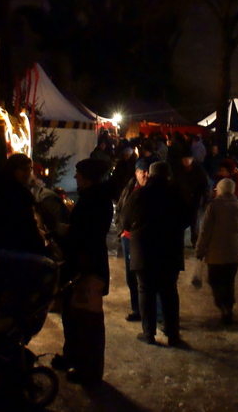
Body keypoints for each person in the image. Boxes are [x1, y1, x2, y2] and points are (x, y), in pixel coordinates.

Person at [55, 158, 114, 385]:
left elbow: (88, 234)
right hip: (82, 264)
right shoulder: (93, 198)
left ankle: (88, 369)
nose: (75, 178)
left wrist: (68, 233)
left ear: (88, 178)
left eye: (79, 174)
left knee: (86, 318)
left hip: (87, 268)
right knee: (73, 316)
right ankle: (74, 357)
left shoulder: (95, 200)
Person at [120, 161, 190, 347]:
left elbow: (125, 220)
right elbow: (187, 219)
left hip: (144, 251)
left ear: (150, 175)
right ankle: (173, 335)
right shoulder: (176, 195)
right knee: (169, 292)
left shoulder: (139, 194)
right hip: (170, 251)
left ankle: (148, 333)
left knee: (146, 291)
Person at [195, 178, 238, 325]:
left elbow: (205, 231)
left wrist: (200, 249)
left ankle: (223, 305)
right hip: (234, 252)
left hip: (215, 253)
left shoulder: (214, 206)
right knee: (229, 281)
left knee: (214, 280)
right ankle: (228, 306)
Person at [0, 153, 46, 255]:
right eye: (23, 169)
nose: (27, 173)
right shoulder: (12, 193)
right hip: (15, 247)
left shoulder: (11, 190)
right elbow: (26, 223)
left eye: (29, 169)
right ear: (13, 170)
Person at [115, 157, 152, 322]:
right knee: (132, 276)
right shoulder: (130, 188)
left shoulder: (154, 190)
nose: (144, 175)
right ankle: (137, 309)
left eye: (146, 171)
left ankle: (152, 313)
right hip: (129, 239)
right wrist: (120, 232)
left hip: (146, 239)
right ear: (136, 173)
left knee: (147, 276)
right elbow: (119, 210)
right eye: (141, 171)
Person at [173, 148, 211, 245]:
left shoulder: (199, 170)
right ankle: (179, 242)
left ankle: (195, 242)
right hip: (181, 201)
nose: (186, 161)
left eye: (188, 158)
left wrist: (205, 199)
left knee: (194, 223)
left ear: (192, 159)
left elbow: (205, 186)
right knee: (180, 223)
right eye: (184, 158)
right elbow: (174, 184)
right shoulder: (178, 170)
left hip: (195, 201)